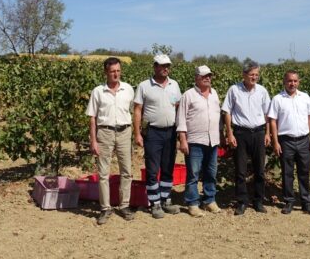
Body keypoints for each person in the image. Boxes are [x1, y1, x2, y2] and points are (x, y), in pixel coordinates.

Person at [86, 57, 136, 225]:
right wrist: (93, 141)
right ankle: (105, 208)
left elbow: (133, 111)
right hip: (105, 132)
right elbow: (92, 118)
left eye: (118, 71)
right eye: (112, 71)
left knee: (126, 171)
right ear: (106, 72)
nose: (116, 74)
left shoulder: (128, 89)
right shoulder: (98, 91)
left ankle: (124, 206)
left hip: (124, 132)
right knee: (103, 173)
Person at [133, 54, 182, 219]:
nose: (166, 68)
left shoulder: (174, 85)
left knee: (168, 167)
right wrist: (137, 133)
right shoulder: (144, 86)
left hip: (171, 132)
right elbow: (137, 110)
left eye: (167, 65)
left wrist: (180, 132)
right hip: (153, 132)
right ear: (155, 67)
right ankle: (155, 203)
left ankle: (166, 200)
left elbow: (177, 106)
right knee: (153, 169)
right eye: (162, 65)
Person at [222, 61, 271, 215]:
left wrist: (267, 133)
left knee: (260, 170)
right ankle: (242, 202)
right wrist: (230, 133)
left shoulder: (262, 91)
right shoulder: (234, 90)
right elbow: (227, 112)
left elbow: (267, 114)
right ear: (244, 75)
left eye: (256, 75)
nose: (254, 77)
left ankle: (258, 201)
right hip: (241, 133)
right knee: (240, 170)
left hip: (258, 133)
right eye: (251, 74)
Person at [269, 70, 310, 216]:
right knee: (287, 173)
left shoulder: (305, 97)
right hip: (286, 141)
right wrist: (275, 142)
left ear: (299, 82)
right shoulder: (277, 99)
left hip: (304, 140)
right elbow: (273, 121)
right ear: (284, 82)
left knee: (304, 172)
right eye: (290, 81)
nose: (292, 83)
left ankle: (306, 203)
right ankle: (289, 201)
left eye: (295, 81)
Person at [177, 65, 222, 217]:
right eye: (204, 76)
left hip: (212, 140)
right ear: (196, 78)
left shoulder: (214, 94)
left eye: (209, 75)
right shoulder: (188, 95)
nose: (207, 78)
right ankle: (192, 203)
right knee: (193, 174)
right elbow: (181, 119)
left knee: (211, 173)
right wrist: (183, 140)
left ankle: (209, 200)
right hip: (195, 140)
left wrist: (221, 135)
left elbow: (218, 117)